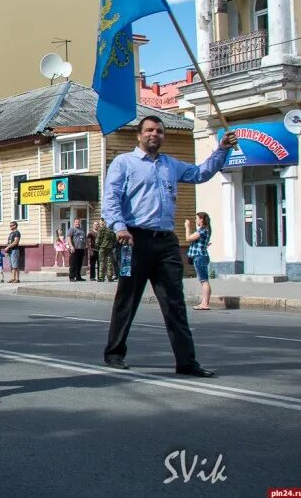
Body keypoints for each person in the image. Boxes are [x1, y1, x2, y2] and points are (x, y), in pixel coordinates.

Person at [102, 116, 237, 377]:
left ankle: (186, 362)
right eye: (149, 130)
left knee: (175, 303)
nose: (155, 134)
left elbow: (201, 174)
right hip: (133, 239)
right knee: (127, 299)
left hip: (165, 241)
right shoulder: (124, 163)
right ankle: (114, 354)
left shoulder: (170, 165)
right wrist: (119, 228)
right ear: (138, 135)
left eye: (159, 131)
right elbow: (111, 198)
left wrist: (222, 149)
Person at [185, 212, 213, 311]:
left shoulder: (202, 231)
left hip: (199, 257)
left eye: (197, 218)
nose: (196, 220)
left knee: (204, 280)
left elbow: (188, 238)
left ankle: (205, 303)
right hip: (201, 256)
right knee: (203, 280)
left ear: (201, 220)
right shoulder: (205, 230)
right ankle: (204, 302)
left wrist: (187, 226)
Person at [95, 217, 117, 282]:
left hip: (102, 248)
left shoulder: (101, 230)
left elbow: (98, 239)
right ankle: (109, 277)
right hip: (110, 248)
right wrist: (112, 246)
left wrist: (97, 246)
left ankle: (101, 277)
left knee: (102, 262)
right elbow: (115, 240)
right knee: (109, 262)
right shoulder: (111, 231)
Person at [66, 218, 87, 282]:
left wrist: (85, 246)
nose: (78, 223)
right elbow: (68, 238)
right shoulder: (71, 229)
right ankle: (71, 277)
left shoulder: (82, 230)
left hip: (81, 249)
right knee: (73, 264)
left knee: (79, 264)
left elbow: (84, 239)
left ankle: (78, 277)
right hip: (74, 249)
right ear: (74, 223)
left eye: (78, 222)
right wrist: (71, 246)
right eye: (76, 222)